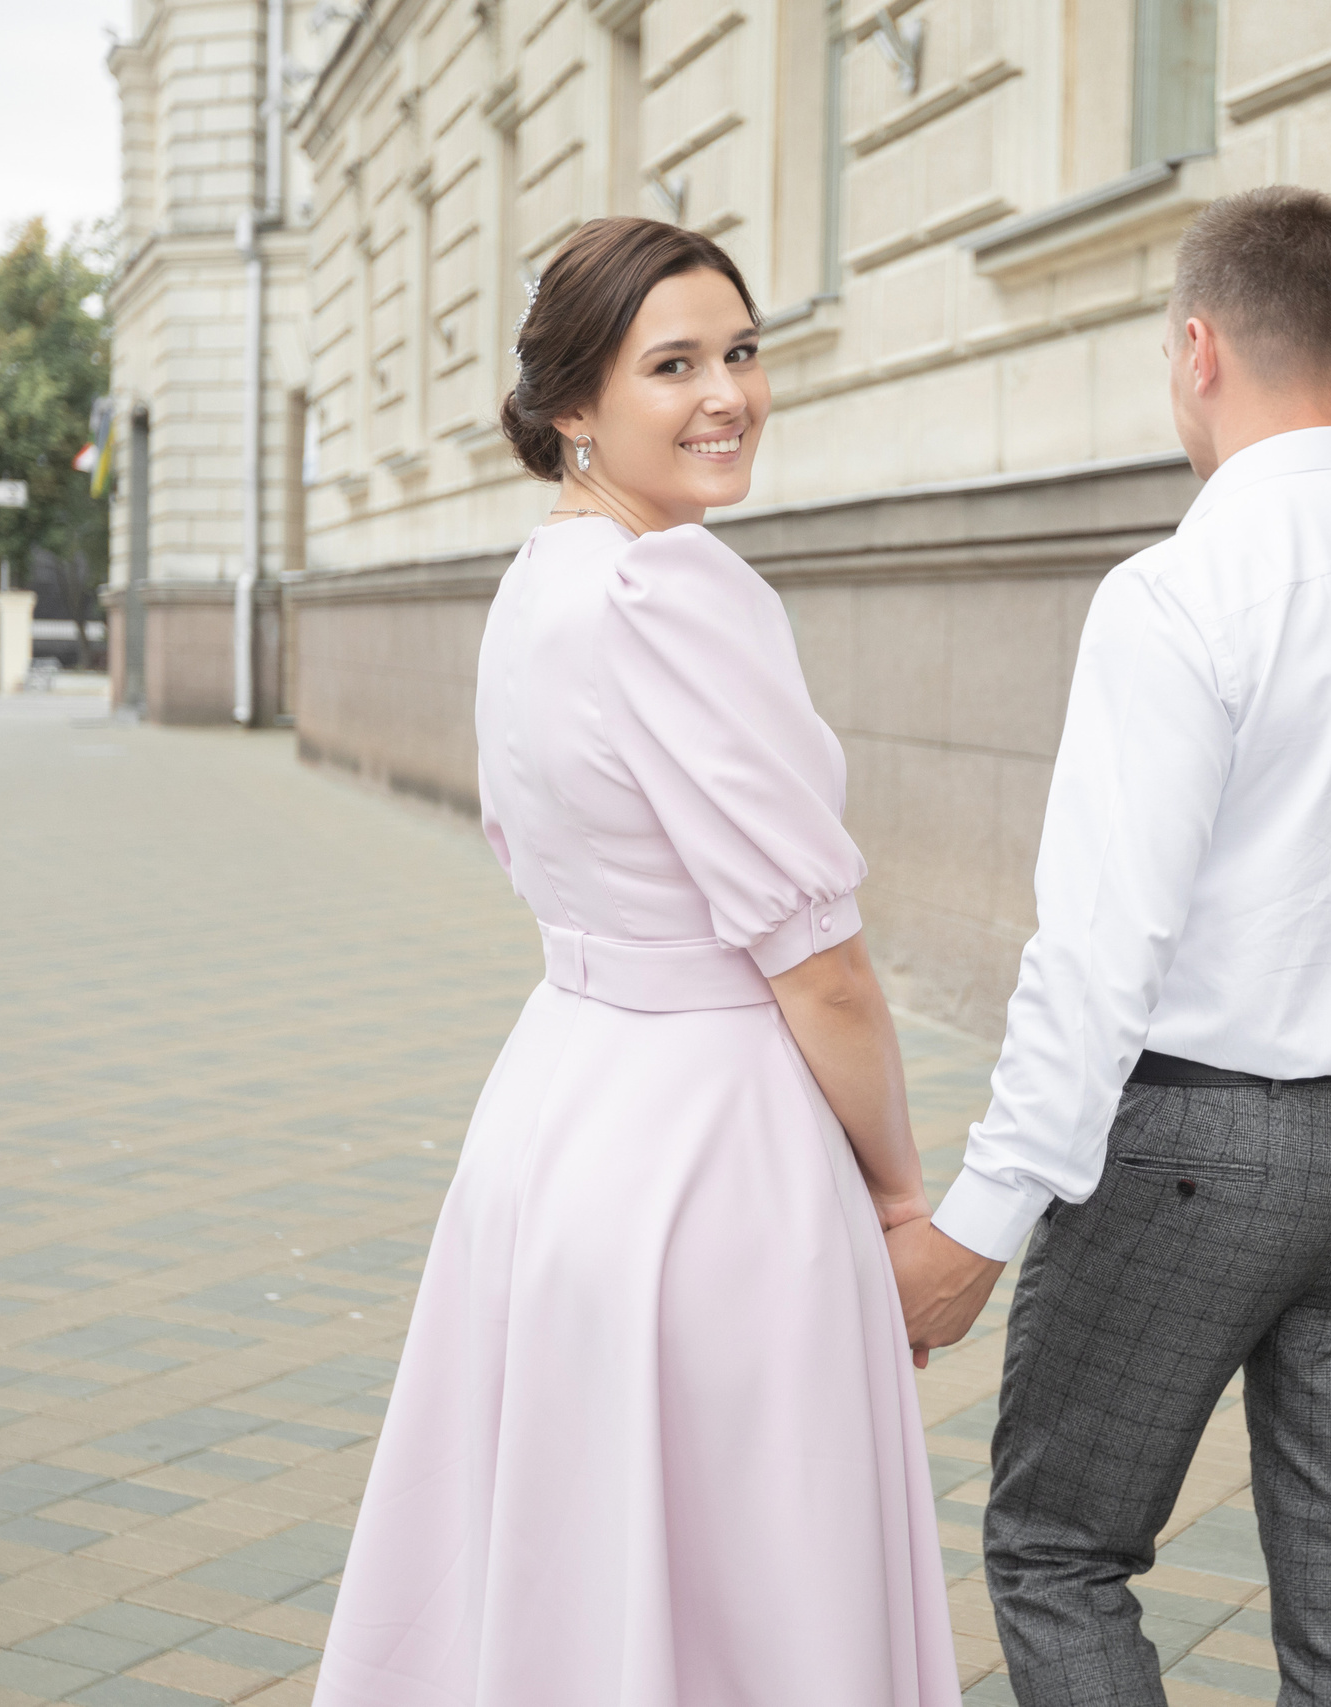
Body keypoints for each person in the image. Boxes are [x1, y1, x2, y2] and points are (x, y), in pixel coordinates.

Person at [889, 186, 1331, 1704]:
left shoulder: (1180, 590)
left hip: (1194, 1142)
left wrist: (979, 1222)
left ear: (1197, 348)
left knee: (1061, 1547)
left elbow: (1100, 947)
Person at [313, 218, 959, 1707]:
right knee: (749, 1578)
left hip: (557, 1109)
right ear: (573, 408)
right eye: (672, 364)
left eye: (742, 350)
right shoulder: (679, 592)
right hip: (712, 1150)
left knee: (573, 1557)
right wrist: (901, 1188)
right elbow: (823, 967)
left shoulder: (544, 580)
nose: (727, 392)